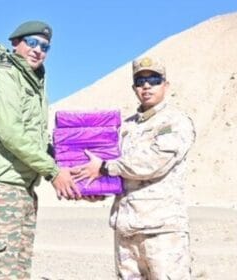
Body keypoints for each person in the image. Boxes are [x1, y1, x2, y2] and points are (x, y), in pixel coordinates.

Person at [0, 20, 80, 280]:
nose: (38, 50)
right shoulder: (0, 77)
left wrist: (70, 167)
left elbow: (34, 140)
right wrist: (53, 171)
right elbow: (10, 133)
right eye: (32, 42)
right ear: (15, 42)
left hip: (21, 190)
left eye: (45, 46)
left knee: (16, 274)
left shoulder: (32, 83)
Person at [74, 56, 196, 279]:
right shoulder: (126, 127)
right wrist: (96, 189)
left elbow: (154, 162)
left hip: (161, 230)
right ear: (134, 88)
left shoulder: (175, 121)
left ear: (165, 85)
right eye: (140, 82)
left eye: (154, 79)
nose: (146, 86)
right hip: (126, 230)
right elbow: (115, 172)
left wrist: (104, 168)